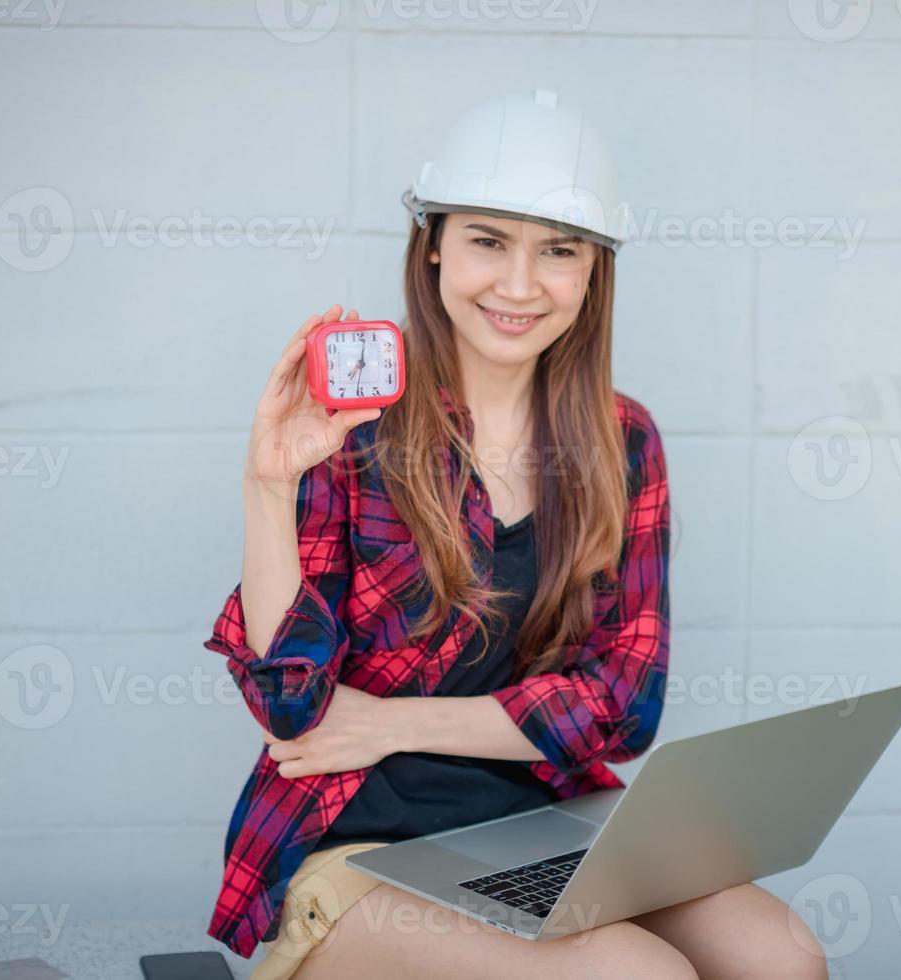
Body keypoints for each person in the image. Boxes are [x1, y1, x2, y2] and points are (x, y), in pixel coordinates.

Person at [204, 89, 828, 980]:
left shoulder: (623, 443)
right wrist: (268, 487)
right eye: (488, 241)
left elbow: (623, 706)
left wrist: (388, 722)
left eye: (559, 251)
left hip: (545, 823)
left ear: (594, 271)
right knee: (634, 975)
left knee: (780, 952)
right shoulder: (353, 432)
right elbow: (292, 711)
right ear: (433, 246)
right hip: (356, 848)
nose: (520, 284)